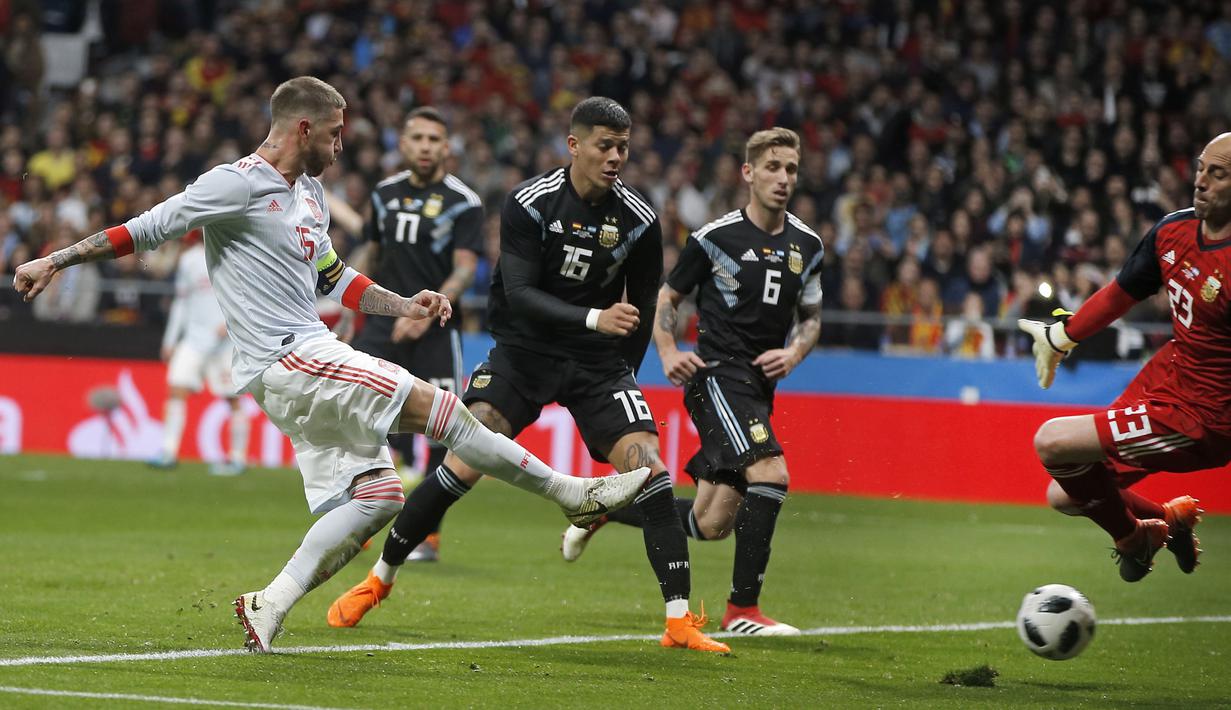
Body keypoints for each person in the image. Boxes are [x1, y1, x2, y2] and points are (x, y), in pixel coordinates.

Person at [13, 77, 650, 653]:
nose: (343, 146)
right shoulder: (234, 184)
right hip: (290, 357)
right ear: (304, 129)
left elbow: (336, 278)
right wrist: (55, 260)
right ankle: (571, 494)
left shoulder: (311, 194)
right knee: (439, 408)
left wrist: (405, 303)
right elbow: (143, 229)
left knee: (379, 497)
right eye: (336, 134)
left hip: (300, 363)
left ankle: (268, 603)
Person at [328, 96, 730, 654]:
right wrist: (593, 317)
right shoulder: (531, 202)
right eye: (605, 146)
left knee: (651, 473)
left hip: (596, 364)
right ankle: (379, 580)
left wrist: (625, 378)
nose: (615, 157)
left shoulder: (638, 217)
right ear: (574, 145)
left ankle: (679, 622)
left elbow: (639, 308)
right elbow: (519, 293)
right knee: (461, 462)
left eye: (623, 148)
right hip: (523, 354)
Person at [561, 128, 823, 636]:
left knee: (711, 523)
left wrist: (794, 351)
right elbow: (668, 297)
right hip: (716, 376)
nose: (783, 178)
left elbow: (811, 316)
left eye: (791, 169)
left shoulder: (807, 245)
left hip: (758, 388)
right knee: (771, 474)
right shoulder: (714, 238)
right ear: (748, 173)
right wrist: (667, 350)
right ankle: (742, 611)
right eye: (772, 167)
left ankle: (605, 508)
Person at [1014, 133, 1231, 584]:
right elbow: (1119, 295)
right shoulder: (1172, 231)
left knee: (1051, 442)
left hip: (1203, 415)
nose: (1201, 181)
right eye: (1200, 168)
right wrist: (1061, 338)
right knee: (1065, 493)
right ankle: (1167, 524)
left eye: (1218, 174)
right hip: (1169, 376)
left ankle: (1134, 539)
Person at [342, 106, 483, 562]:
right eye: (417, 138)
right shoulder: (384, 194)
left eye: (434, 139)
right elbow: (371, 254)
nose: (425, 147)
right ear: (403, 144)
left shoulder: (464, 202)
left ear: (446, 147)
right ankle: (360, 519)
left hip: (437, 327)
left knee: (443, 431)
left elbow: (464, 268)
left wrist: (427, 310)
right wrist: (346, 311)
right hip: (382, 324)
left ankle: (427, 533)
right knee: (358, 417)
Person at [149, 228, 250, 476]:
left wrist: (231, 323)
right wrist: (170, 339)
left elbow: (247, 297)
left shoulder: (235, 254)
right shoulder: (188, 260)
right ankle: (169, 451)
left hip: (226, 342)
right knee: (176, 389)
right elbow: (181, 301)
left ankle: (237, 458)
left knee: (232, 398)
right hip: (194, 339)